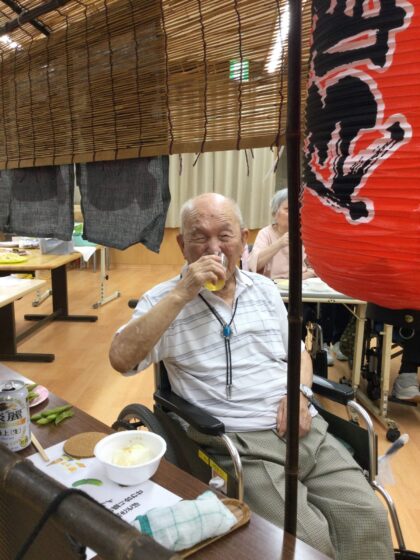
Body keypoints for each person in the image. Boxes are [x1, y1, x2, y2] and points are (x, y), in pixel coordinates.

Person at [110, 193, 393, 560]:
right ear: (182, 245)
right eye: (200, 237)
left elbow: (298, 353)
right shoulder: (162, 299)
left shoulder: (264, 290)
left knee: (369, 518)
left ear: (244, 239)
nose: (214, 248)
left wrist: (300, 394)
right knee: (309, 543)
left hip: (304, 427)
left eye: (225, 235)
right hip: (240, 443)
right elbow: (121, 359)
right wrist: (182, 293)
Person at [248, 188, 350, 364]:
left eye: (298, 210)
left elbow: (317, 266)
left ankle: (314, 350)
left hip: (300, 292)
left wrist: (305, 274)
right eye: (288, 209)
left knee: (316, 309)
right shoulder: (266, 233)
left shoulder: (305, 234)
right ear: (275, 213)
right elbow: (254, 264)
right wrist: (280, 243)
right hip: (272, 293)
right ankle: (279, 356)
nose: (295, 214)